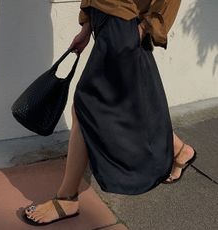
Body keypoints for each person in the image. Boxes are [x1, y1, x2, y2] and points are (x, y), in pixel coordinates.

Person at [22, 0, 197, 225]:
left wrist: (146, 27)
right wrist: (87, 28)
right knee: (130, 103)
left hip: (122, 26)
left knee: (86, 105)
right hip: (107, 24)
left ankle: (67, 197)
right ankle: (180, 150)